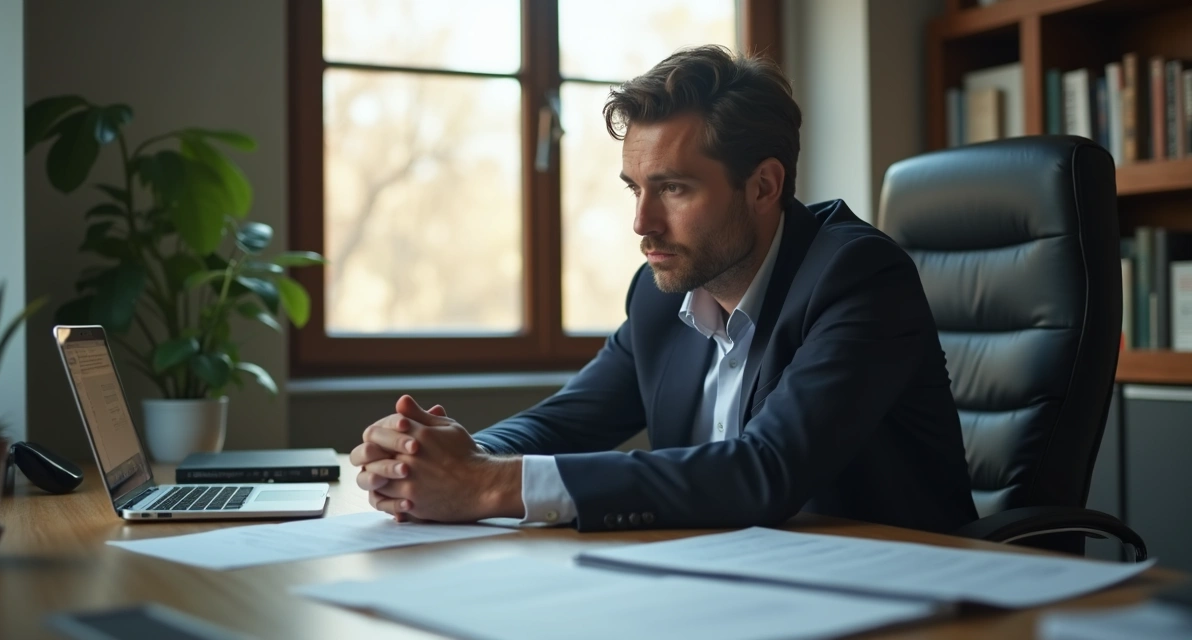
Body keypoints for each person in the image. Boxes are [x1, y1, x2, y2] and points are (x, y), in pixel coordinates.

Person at [349, 45, 979, 534]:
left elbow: (765, 472)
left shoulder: (858, 278)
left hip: (901, 594)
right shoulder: (659, 295)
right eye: (635, 188)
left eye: (674, 188)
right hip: (738, 588)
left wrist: (487, 487)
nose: (642, 223)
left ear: (763, 186)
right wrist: (441, 458)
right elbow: (568, 421)